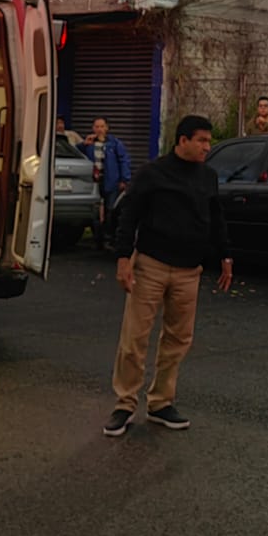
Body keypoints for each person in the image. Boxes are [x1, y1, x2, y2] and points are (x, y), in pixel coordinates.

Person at [103, 114, 233, 438]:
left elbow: (216, 217)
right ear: (183, 141)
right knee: (135, 338)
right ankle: (124, 404)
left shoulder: (208, 177)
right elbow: (129, 213)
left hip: (190, 271)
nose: (208, 146)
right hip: (151, 265)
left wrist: (226, 255)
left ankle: (161, 402)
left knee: (177, 340)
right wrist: (123, 258)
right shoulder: (153, 173)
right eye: (202, 140)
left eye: (209, 140)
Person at [83, 117, 132, 253]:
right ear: (93, 128)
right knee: (95, 212)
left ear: (107, 128)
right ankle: (98, 240)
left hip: (111, 181)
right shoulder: (89, 144)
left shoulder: (115, 144)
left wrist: (124, 179)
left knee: (111, 210)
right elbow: (78, 154)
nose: (99, 129)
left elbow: (124, 160)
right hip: (94, 182)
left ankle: (109, 238)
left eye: (102, 126)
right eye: (96, 126)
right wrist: (83, 144)